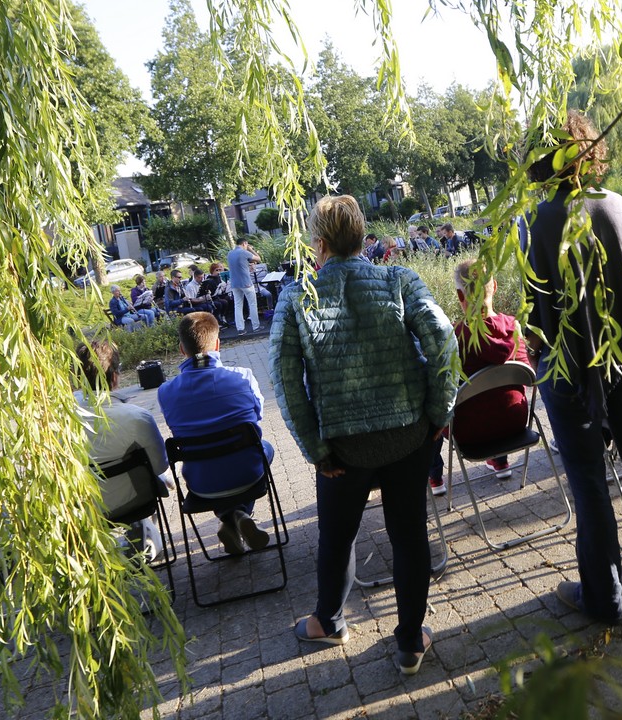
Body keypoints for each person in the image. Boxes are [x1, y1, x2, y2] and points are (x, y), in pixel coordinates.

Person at [270, 195, 457, 676]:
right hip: (409, 435)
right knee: (409, 534)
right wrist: (439, 413)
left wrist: (315, 448)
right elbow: (442, 340)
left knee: (336, 535)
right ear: (361, 235)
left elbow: (286, 380)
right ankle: (411, 641)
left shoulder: (296, 297)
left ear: (319, 243)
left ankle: (329, 622)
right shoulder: (399, 279)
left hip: (342, 448)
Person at [522, 112, 622, 626]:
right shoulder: (617, 205)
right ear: (589, 151)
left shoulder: (535, 222)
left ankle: (605, 598)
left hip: (566, 372)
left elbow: (534, 312)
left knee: (589, 483)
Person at [159, 312, 275, 555]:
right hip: (248, 474)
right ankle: (239, 514)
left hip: (201, 484)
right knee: (266, 448)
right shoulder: (243, 377)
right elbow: (257, 419)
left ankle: (229, 518)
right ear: (218, 344)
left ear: (182, 349)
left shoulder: (165, 392)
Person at [430, 260, 531, 492]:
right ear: (494, 286)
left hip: (469, 432)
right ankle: (500, 461)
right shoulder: (513, 327)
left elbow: (442, 388)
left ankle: (435, 477)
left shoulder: (454, 336)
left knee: (430, 410)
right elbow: (528, 375)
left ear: (459, 295)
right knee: (500, 393)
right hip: (515, 422)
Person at [76, 339, 171, 558]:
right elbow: (159, 465)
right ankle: (144, 543)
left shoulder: (60, 419)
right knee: (148, 480)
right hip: (137, 500)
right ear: (115, 377)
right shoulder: (137, 417)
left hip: (88, 506)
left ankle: (134, 544)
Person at [226, 236, 262, 334]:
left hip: (234, 283)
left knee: (237, 305)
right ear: (244, 243)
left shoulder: (230, 253)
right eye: (247, 245)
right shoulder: (244, 252)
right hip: (246, 282)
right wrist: (251, 249)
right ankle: (256, 326)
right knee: (252, 304)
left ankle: (240, 329)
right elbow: (259, 259)